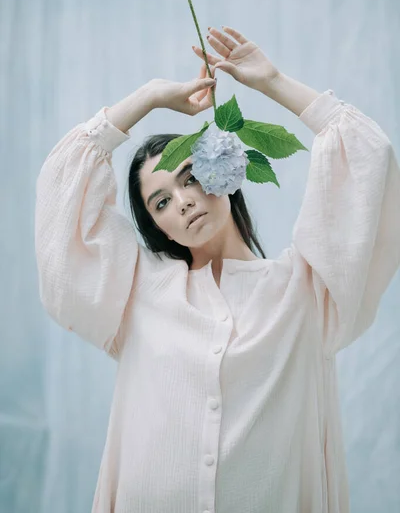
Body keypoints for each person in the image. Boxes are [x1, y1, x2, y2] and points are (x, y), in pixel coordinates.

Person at [35, 26, 400, 513]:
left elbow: (369, 158)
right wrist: (150, 97)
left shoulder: (307, 292)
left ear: (223, 172)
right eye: (161, 201)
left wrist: (273, 82)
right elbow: (64, 202)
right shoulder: (133, 289)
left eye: (189, 178)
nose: (182, 203)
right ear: (157, 225)